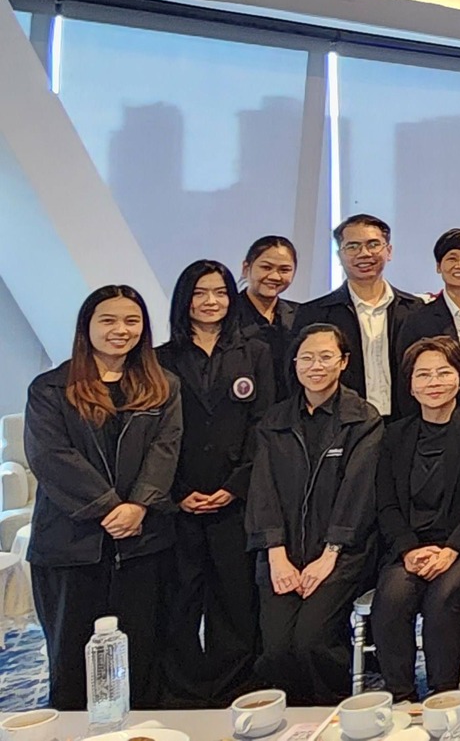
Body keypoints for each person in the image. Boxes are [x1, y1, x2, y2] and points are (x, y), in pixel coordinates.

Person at [26, 286, 183, 711]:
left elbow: (166, 449)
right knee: (73, 658)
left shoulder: (163, 386)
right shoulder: (50, 388)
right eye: (108, 320)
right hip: (70, 545)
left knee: (144, 654)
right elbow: (51, 456)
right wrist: (110, 508)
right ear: (87, 326)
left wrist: (139, 506)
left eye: (132, 321)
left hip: (142, 541)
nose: (121, 330)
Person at [371, 336, 460, 700]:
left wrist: (451, 550)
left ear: (459, 377)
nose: (433, 382)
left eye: (443, 372)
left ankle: (445, 697)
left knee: (443, 597)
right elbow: (386, 505)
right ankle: (400, 698)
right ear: (410, 384)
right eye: (423, 375)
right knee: (391, 598)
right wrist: (408, 549)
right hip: (414, 547)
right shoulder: (395, 435)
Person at [247, 323, 384, 705]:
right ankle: (292, 718)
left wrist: (330, 554)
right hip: (282, 552)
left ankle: (329, 711)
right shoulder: (274, 421)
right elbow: (263, 490)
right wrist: (277, 555)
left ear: (344, 362)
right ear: (294, 363)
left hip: (341, 552)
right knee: (276, 648)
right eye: (306, 358)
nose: (316, 366)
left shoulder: (362, 418)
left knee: (311, 641)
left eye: (326, 357)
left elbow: (358, 493)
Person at [159, 260, 274, 706]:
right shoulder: (161, 358)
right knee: (181, 597)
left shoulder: (255, 352)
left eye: (221, 292)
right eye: (200, 293)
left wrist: (236, 484)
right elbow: (155, 434)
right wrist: (177, 490)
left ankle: (234, 686)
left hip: (236, 496)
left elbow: (264, 423)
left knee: (235, 597)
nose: (211, 302)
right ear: (184, 299)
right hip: (180, 496)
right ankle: (185, 691)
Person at [301, 213, 426, 416]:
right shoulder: (315, 313)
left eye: (373, 244)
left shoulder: (415, 310)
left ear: (389, 251)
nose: (364, 253)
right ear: (340, 255)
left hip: (405, 422)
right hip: (342, 422)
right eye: (353, 246)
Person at [392, 228, 460, 400]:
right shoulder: (418, 320)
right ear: (438, 266)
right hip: (441, 412)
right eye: (452, 258)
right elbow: (406, 379)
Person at [233, 235, 302, 389]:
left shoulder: (301, 315)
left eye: (284, 270)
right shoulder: (226, 315)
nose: (275, 276)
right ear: (246, 268)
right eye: (266, 267)